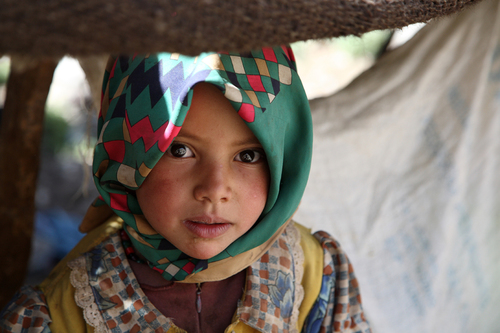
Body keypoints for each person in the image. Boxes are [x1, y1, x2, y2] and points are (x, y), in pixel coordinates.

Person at [0, 46, 370, 333]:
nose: (214, 190)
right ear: (128, 155)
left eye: (248, 155)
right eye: (179, 150)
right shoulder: (59, 314)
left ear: (284, 162)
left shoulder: (315, 275)